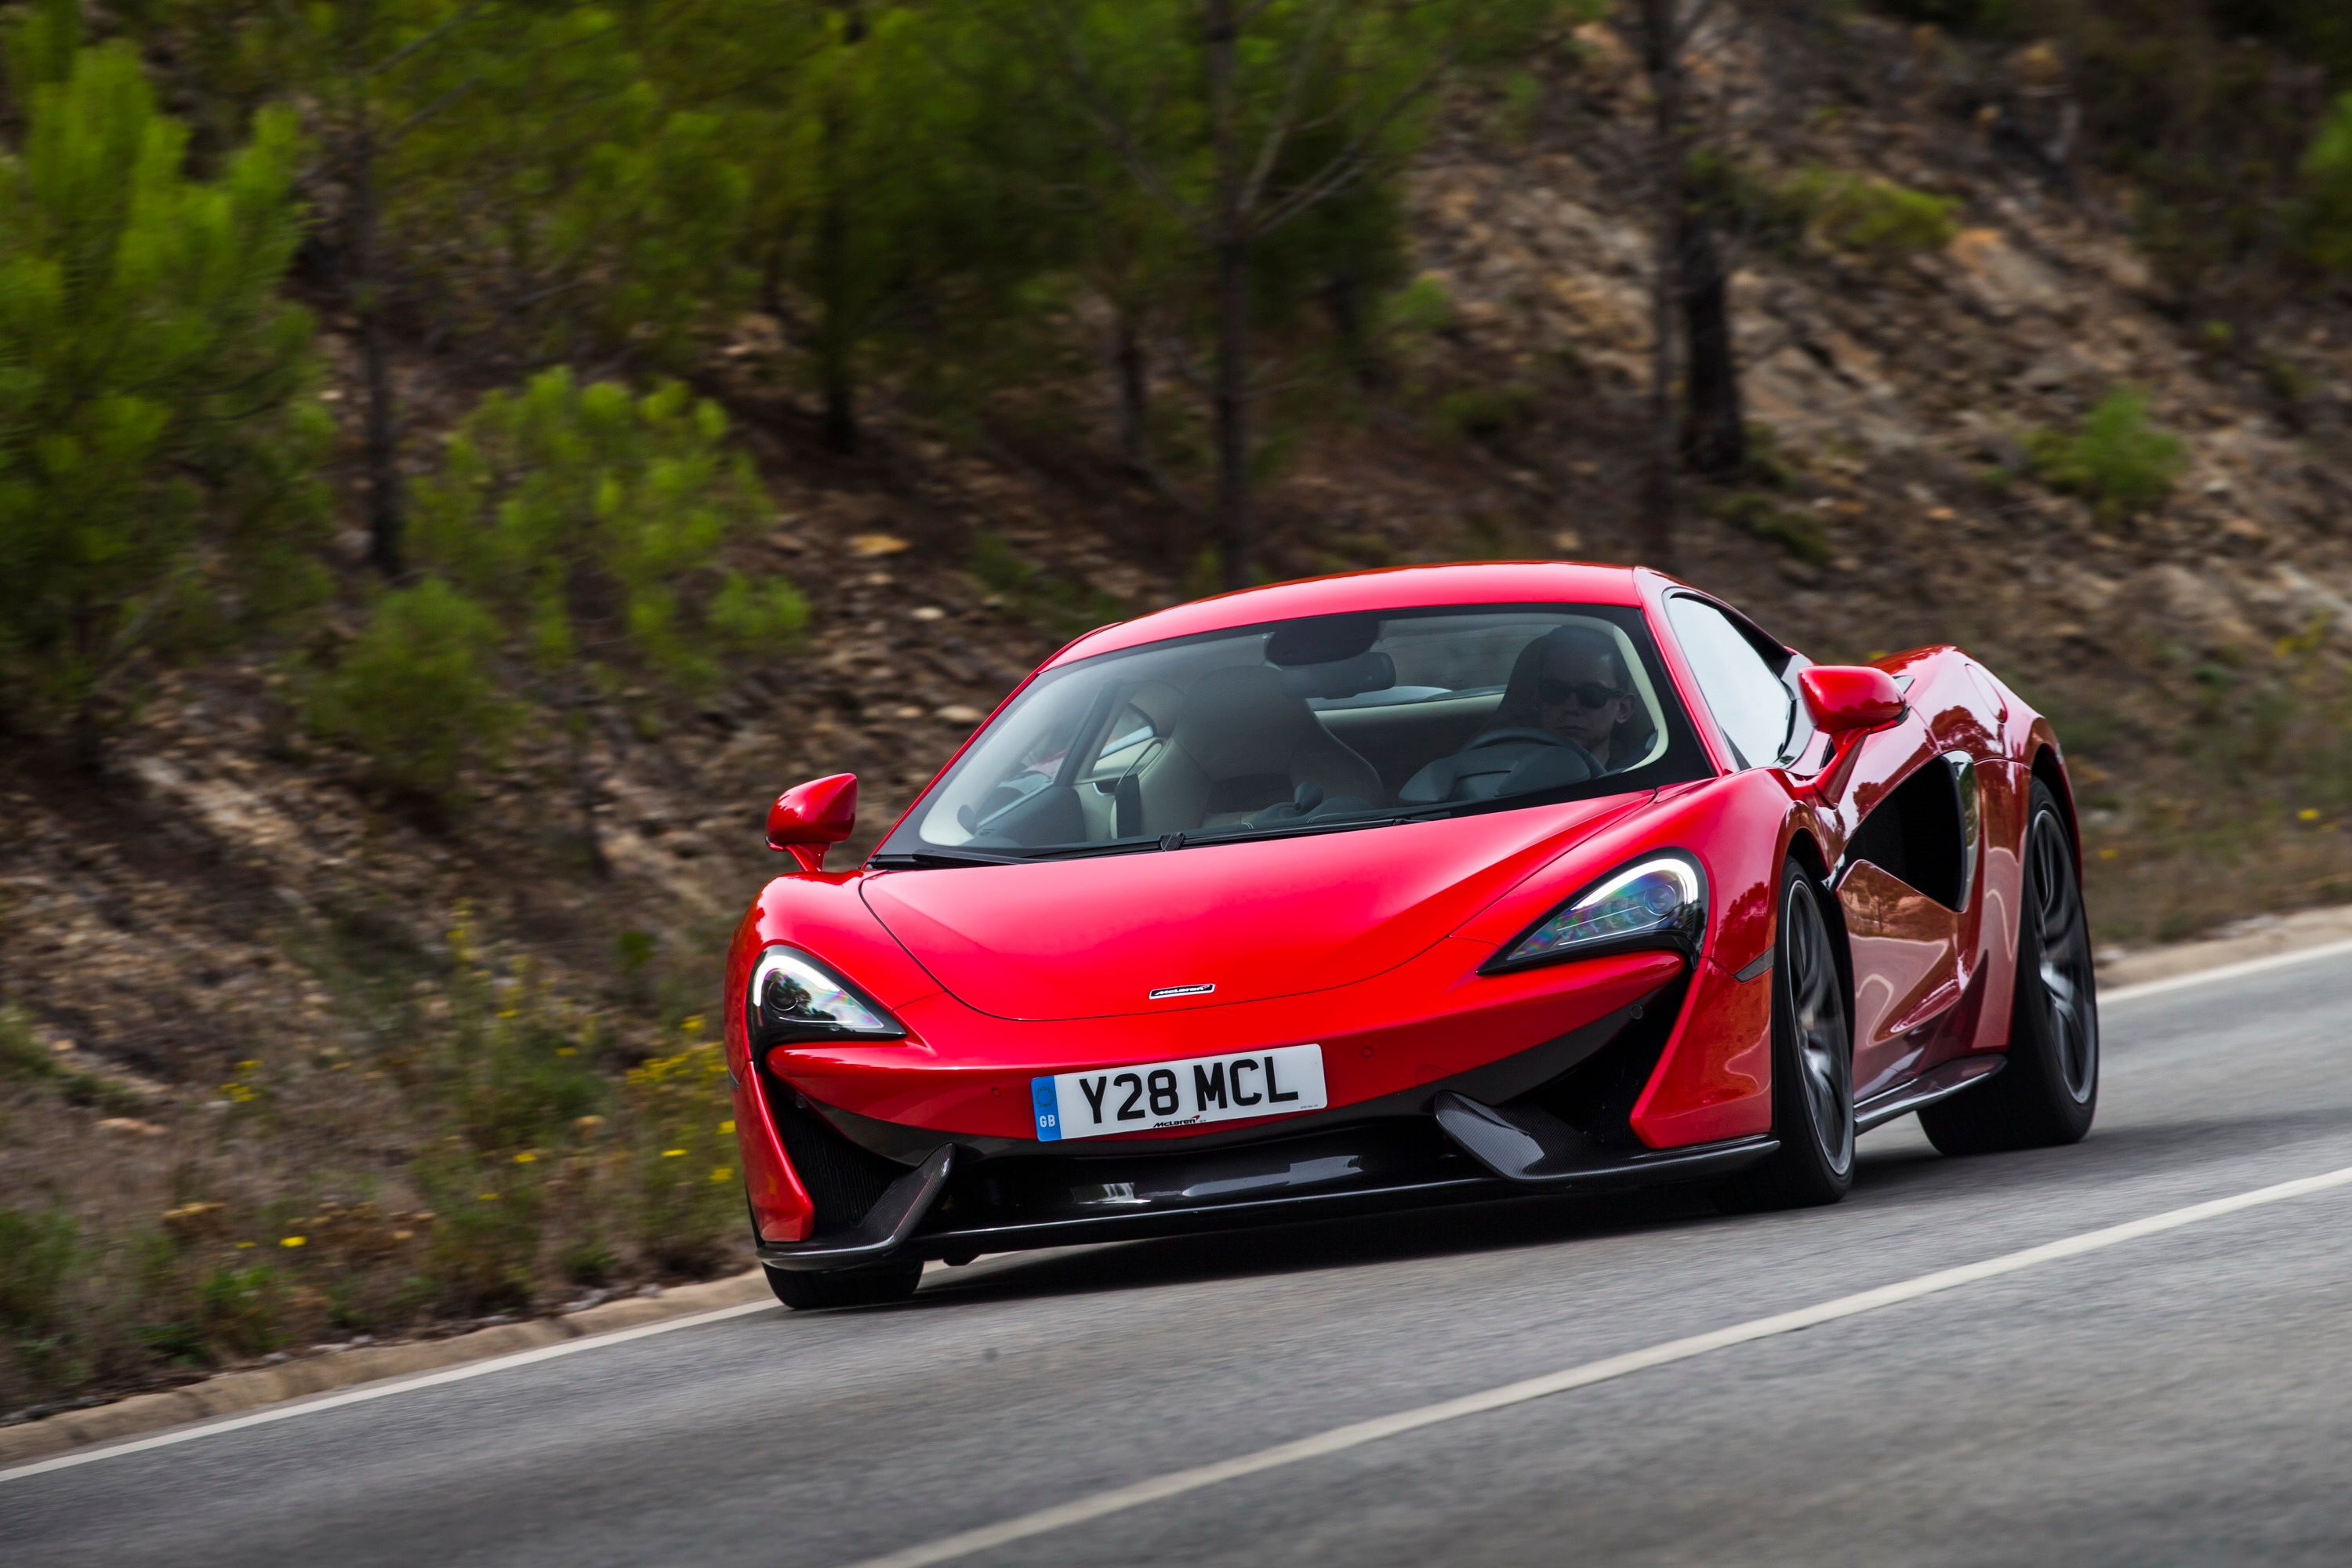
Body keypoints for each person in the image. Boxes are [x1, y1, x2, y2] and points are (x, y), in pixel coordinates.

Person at [1496, 625, 1640, 771]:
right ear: (1538, 698)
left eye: (1591, 694)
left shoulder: (1637, 776)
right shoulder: (1502, 772)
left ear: (1623, 709)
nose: (1571, 707)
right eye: (1555, 690)